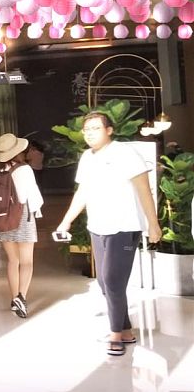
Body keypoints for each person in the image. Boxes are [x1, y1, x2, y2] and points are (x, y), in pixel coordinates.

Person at [56, 112, 161, 357]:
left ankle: (115, 334)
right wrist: (66, 221)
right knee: (104, 281)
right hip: (98, 226)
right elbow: (82, 192)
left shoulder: (125, 153)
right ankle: (125, 329)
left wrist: (153, 224)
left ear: (109, 130)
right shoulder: (87, 157)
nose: (90, 133)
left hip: (124, 226)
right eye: (86, 129)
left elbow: (144, 190)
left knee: (113, 280)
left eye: (95, 128)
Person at [0, 133, 44, 319]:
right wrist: (37, 213)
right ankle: (21, 297)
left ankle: (13, 297)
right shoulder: (24, 169)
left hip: (2, 218)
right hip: (23, 216)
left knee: (12, 261)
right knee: (26, 261)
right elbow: (33, 197)